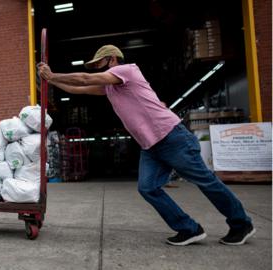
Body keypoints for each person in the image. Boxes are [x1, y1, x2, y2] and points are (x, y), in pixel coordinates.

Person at [37, 45, 255, 246]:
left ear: (112, 59)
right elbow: (80, 89)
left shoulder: (128, 70)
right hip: (151, 146)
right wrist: (50, 80)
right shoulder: (110, 88)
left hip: (171, 137)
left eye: (98, 64)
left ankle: (241, 223)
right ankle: (188, 228)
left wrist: (52, 74)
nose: (95, 68)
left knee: (205, 181)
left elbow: (84, 79)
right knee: (147, 188)